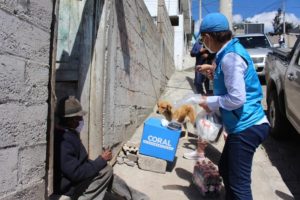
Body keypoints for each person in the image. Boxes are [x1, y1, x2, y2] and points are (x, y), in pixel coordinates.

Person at [197, 13, 270, 200]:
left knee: (239, 185)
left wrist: (210, 102)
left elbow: (236, 98)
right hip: (242, 124)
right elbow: (233, 78)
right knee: (226, 169)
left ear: (208, 37)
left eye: (203, 40)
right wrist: (214, 71)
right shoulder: (229, 51)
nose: (204, 44)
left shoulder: (231, 57)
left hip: (247, 126)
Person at [54, 96, 114, 199]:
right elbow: (76, 173)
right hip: (69, 187)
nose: (81, 120)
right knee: (106, 171)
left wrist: (99, 162)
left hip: (76, 179)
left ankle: (138, 197)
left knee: (106, 171)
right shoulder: (63, 141)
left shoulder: (70, 133)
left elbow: (81, 162)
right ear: (71, 120)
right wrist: (101, 160)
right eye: (79, 118)